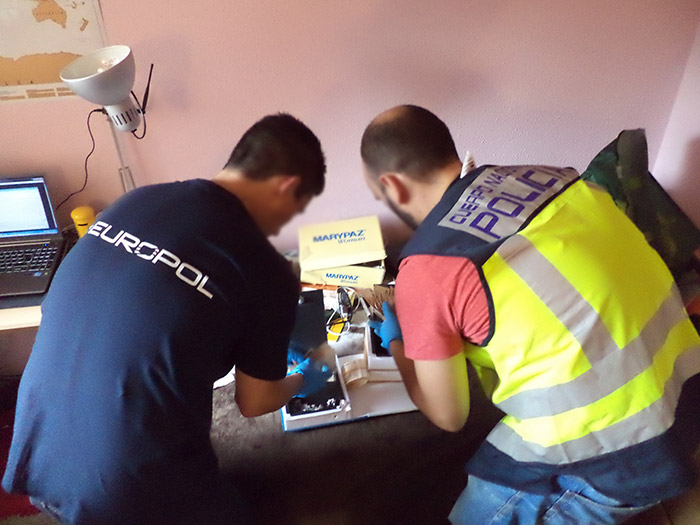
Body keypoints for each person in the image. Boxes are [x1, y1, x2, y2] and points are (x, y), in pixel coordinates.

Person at [362, 104, 700, 524]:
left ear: (392, 185)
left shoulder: (429, 269)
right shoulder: (555, 178)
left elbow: (448, 415)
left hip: (623, 455)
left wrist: (398, 341)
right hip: (687, 393)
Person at [2, 113, 333, 524]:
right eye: (296, 206)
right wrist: (304, 378)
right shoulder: (267, 270)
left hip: (36, 457)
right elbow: (255, 402)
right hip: (121, 491)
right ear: (287, 186)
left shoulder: (135, 201)